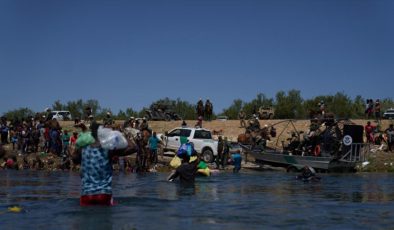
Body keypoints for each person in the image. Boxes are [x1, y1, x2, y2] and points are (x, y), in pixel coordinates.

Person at [73, 122, 137, 206]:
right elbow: (133, 147)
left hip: (86, 195)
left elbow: (74, 159)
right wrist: (119, 134)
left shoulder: (83, 149)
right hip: (104, 194)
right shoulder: (108, 149)